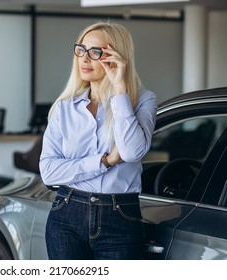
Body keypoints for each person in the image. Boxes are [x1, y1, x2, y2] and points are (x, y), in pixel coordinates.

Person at [39, 21, 157, 260]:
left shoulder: (143, 101)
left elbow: (133, 152)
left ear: (117, 57)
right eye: (81, 50)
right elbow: (49, 172)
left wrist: (120, 89)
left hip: (120, 215)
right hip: (67, 213)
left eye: (96, 52)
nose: (84, 59)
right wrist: (105, 160)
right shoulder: (65, 107)